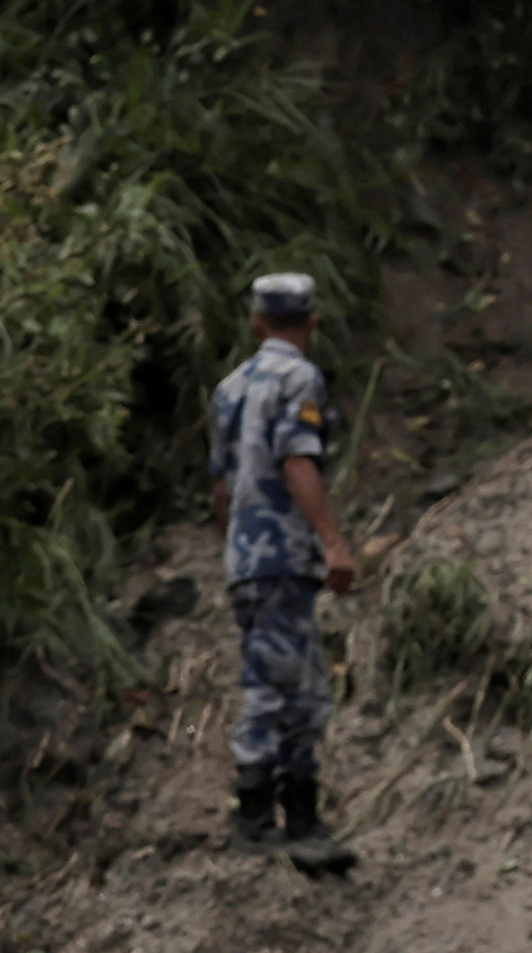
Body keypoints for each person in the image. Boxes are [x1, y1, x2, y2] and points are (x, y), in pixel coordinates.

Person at [214, 271, 362, 874]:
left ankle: (299, 822)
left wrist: (234, 546)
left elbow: (221, 485)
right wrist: (333, 541)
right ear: (312, 320)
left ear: (256, 321)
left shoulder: (230, 387)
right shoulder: (298, 378)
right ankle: (259, 819)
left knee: (297, 686)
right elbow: (296, 459)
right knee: (280, 689)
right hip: (282, 554)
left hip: (246, 559)